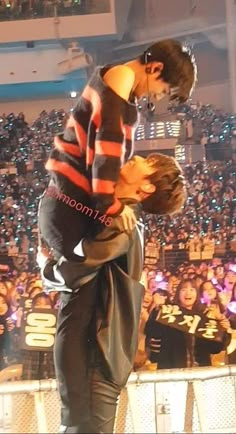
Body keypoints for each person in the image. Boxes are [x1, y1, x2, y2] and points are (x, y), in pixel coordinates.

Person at [38, 153, 187, 433]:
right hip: (96, 352)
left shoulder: (123, 226)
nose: (136, 157)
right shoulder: (116, 217)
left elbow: (76, 268)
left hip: (96, 354)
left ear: (148, 187)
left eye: (148, 162)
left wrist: (45, 267)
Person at [38, 39, 197, 260]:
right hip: (70, 206)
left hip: (69, 203)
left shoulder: (124, 87)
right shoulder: (122, 77)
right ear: (155, 68)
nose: (157, 97)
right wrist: (110, 205)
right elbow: (107, 146)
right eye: (163, 90)